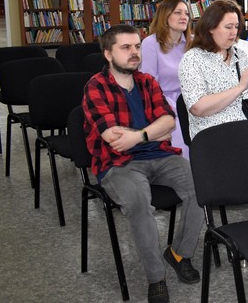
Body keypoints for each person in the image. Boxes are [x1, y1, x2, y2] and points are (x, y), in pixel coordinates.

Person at [82, 25, 205, 303]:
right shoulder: (96, 87)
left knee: (201, 187)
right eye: (125, 48)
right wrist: (153, 131)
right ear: (108, 54)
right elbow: (114, 139)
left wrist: (139, 136)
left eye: (137, 46)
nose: (134, 52)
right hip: (118, 163)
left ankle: (179, 254)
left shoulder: (148, 82)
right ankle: (156, 278)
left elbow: (169, 122)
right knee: (139, 204)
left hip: (159, 155)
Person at [178, 0, 248, 141]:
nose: (234, 32)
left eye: (236, 27)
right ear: (211, 27)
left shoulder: (240, 55)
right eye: (228, 27)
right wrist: (240, 87)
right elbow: (197, 108)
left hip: (246, 131)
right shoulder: (192, 59)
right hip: (213, 136)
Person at [141, 0, 191, 158]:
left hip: (192, 100)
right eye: (178, 12)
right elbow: (149, 85)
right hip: (163, 102)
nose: (184, 17)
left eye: (186, 13)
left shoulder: (192, 43)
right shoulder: (150, 43)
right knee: (179, 127)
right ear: (165, 16)